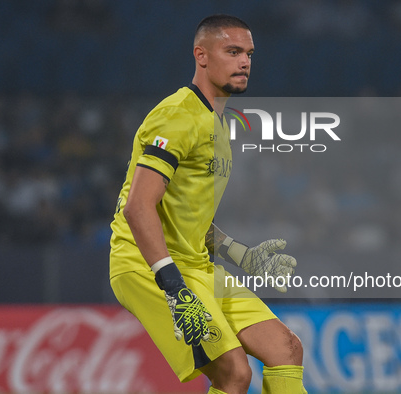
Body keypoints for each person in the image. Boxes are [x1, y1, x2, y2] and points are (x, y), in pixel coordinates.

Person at [110, 14, 307, 394]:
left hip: (196, 265)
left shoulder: (216, 123)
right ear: (201, 55)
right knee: (234, 373)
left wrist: (240, 255)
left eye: (249, 53)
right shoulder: (177, 117)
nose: (244, 61)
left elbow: (186, 215)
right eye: (232, 51)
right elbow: (138, 207)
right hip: (146, 264)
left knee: (286, 349)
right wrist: (174, 287)